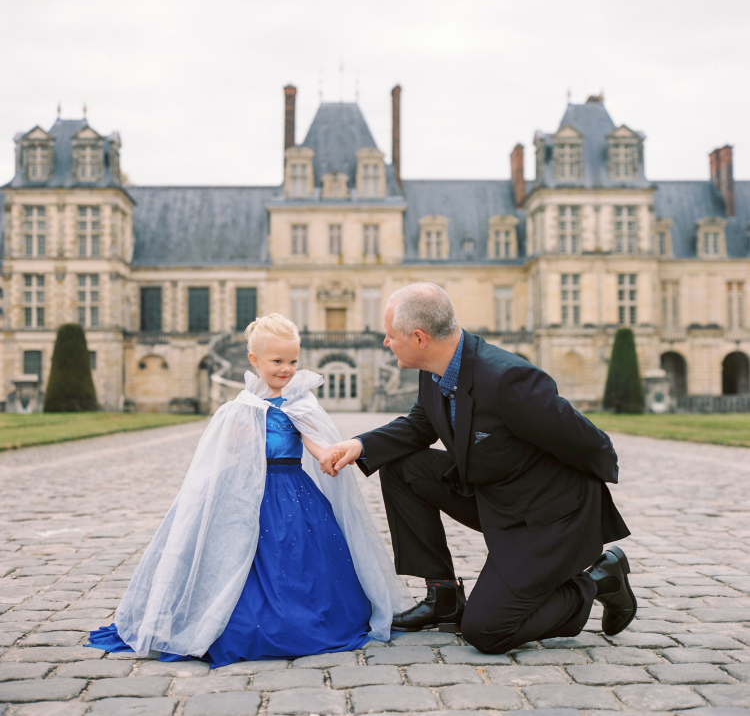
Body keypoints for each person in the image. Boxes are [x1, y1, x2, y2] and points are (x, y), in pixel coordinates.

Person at [318, 283, 636, 655]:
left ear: (419, 338)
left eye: (390, 337)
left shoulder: (508, 379)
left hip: (545, 518)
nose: (386, 344)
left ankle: (599, 580)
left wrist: (579, 520)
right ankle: (443, 596)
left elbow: (591, 444)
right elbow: (422, 425)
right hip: (494, 495)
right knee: (402, 467)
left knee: (487, 631)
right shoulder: (435, 368)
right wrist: (359, 445)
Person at [88, 314, 413, 665]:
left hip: (293, 493)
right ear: (254, 361)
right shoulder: (239, 409)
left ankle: (304, 612)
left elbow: (316, 443)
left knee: (301, 557)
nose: (286, 369)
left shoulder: (301, 403)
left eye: (293, 361)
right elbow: (226, 456)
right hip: (252, 493)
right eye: (277, 361)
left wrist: (330, 456)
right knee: (244, 554)